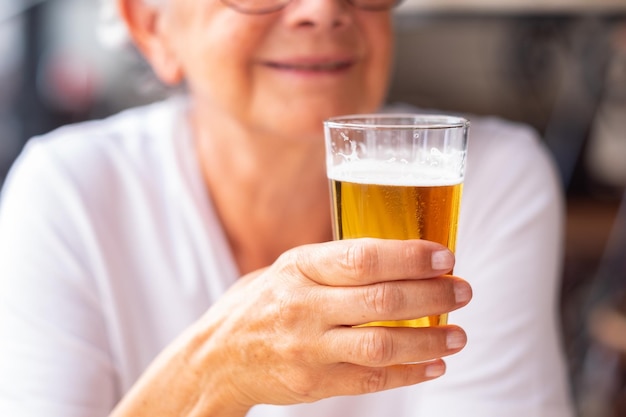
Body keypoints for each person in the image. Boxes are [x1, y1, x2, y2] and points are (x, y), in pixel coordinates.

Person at [0, 0, 574, 416]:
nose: (324, 10)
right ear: (153, 29)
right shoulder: (67, 192)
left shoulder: (488, 175)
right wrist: (216, 374)